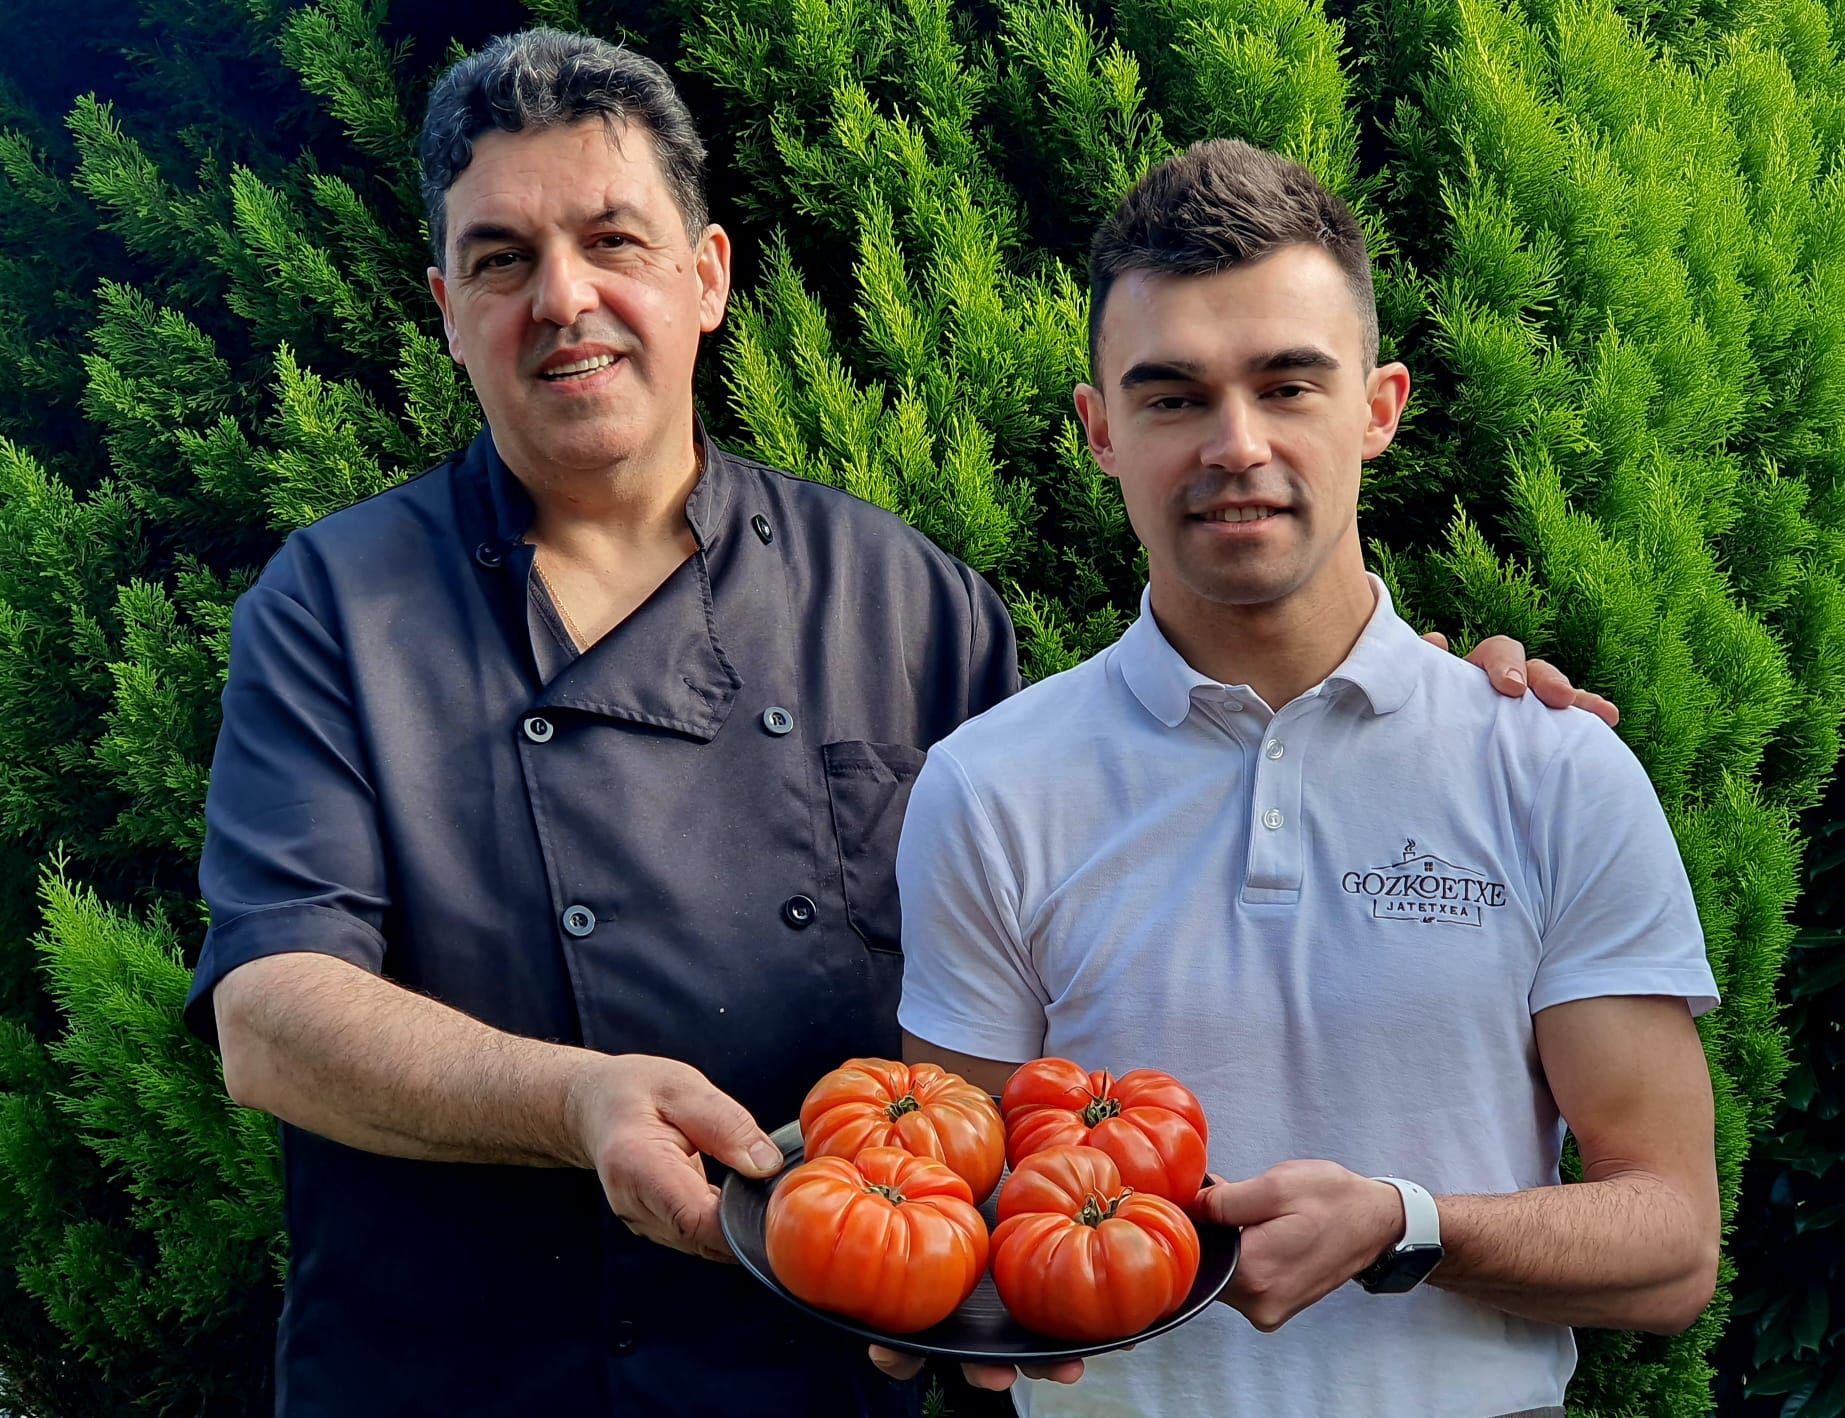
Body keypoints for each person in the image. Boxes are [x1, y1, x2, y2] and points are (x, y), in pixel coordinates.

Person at [182, 29, 1615, 1418]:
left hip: (819, 1367)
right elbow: (271, 1017)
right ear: (446, 305)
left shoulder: (905, 599)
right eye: (502, 258)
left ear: (707, 276)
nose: (562, 297)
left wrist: (1405, 706)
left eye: (612, 240)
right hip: (451, 1372)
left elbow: (1130, 807)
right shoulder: (334, 605)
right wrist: (575, 1100)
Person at [885, 139, 1719, 1418]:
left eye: (1288, 384)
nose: (1235, 444)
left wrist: (1403, 1224)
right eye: (1171, 397)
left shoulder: (1553, 767)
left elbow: (1670, 1244)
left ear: (1379, 407)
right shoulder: (989, 787)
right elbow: (951, 1190)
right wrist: (901, 1296)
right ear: (1099, 430)